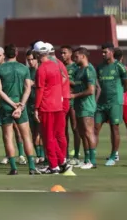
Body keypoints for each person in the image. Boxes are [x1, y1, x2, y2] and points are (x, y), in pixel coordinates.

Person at [0, 44, 41, 175]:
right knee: (26, 136)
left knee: (8, 137)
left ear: (4, 55)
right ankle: (31, 167)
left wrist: (11, 104)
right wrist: (20, 105)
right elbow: (28, 88)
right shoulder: (24, 68)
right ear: (16, 53)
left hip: (6, 106)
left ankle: (14, 168)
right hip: (21, 106)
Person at [33, 42, 71, 174]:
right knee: (55, 136)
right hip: (58, 106)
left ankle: (54, 166)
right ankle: (62, 162)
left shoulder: (41, 69)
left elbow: (39, 91)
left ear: (37, 54)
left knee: (48, 137)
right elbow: (64, 81)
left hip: (47, 107)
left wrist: (36, 108)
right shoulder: (56, 66)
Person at [95, 42, 127, 166]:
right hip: (101, 103)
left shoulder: (119, 67)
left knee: (114, 128)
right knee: (95, 128)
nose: (103, 54)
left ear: (111, 52)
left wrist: (118, 94)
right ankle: (91, 156)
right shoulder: (99, 67)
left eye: (105, 52)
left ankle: (113, 156)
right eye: (102, 52)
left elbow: (126, 84)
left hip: (115, 102)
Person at [0, 47, 27, 166]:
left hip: (12, 103)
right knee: (6, 133)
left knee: (17, 130)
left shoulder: (10, 68)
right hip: (5, 105)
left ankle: (21, 155)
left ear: (4, 55)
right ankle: (8, 155)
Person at [71, 47, 97, 169]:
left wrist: (74, 95)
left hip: (87, 105)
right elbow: (76, 85)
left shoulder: (89, 70)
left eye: (76, 56)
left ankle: (92, 161)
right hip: (78, 105)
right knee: (82, 132)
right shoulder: (78, 70)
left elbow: (91, 90)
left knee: (88, 132)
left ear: (83, 56)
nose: (74, 59)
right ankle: (86, 159)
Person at [60, 45, 81, 164]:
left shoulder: (75, 67)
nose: (62, 55)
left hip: (72, 100)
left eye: (64, 53)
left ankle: (77, 155)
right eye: (61, 53)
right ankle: (65, 154)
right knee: (63, 129)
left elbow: (78, 84)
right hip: (62, 101)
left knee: (75, 127)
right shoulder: (61, 66)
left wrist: (66, 79)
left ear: (70, 54)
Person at [26, 49, 45, 163]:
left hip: (41, 105)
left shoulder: (41, 70)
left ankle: (43, 154)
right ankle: (38, 155)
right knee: (33, 132)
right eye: (28, 60)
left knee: (41, 131)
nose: (31, 62)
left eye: (32, 59)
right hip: (30, 105)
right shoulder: (27, 71)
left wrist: (34, 84)